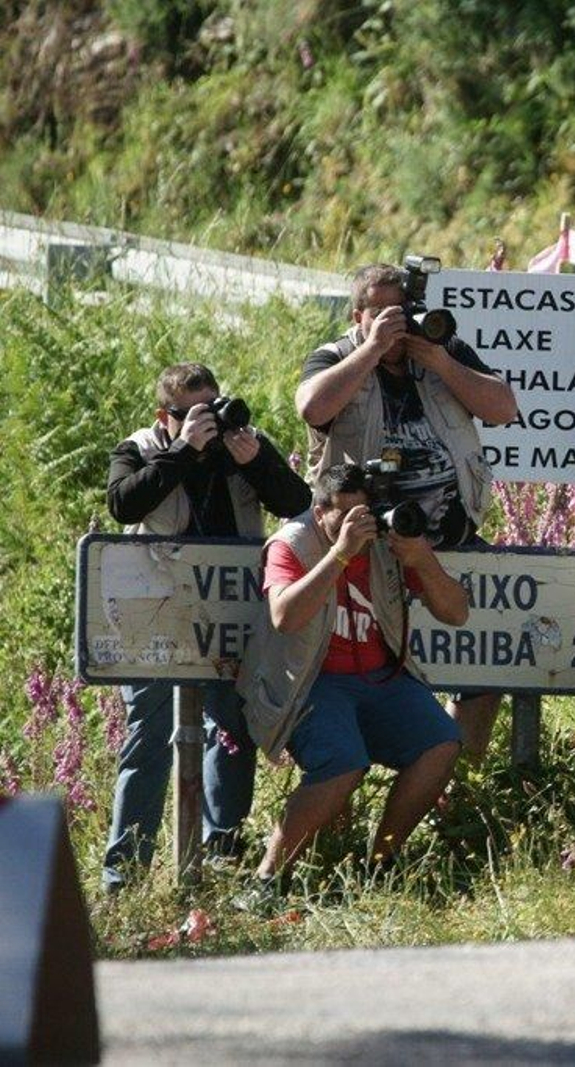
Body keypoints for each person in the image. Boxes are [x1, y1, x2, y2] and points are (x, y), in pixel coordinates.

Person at [295, 263, 518, 761]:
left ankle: (457, 774)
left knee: (485, 663)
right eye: (380, 312)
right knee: (377, 666)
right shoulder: (337, 356)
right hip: (367, 550)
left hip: (451, 538)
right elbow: (312, 407)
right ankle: (382, 760)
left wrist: (440, 361)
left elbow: (503, 408)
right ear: (357, 315)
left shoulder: (439, 349)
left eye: (401, 310)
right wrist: (373, 350)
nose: (394, 321)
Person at [102, 362, 310, 891]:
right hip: (155, 613)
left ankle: (222, 853)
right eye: (191, 413)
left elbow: (297, 504)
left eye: (211, 408)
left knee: (231, 730)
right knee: (147, 734)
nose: (208, 423)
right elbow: (123, 503)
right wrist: (181, 451)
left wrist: (257, 462)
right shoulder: (141, 447)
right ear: (164, 416)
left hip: (226, 613)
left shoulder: (241, 445)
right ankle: (125, 871)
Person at [236, 463, 468, 892]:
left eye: (363, 513)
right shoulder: (291, 543)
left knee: (442, 743)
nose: (356, 525)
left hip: (381, 677)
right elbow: (285, 617)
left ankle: (380, 863)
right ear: (319, 511)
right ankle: (266, 879)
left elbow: (456, 613)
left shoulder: (383, 540)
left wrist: (422, 559)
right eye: (344, 516)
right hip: (311, 682)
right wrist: (339, 555)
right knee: (342, 763)